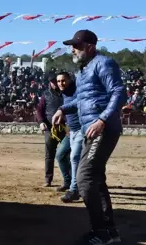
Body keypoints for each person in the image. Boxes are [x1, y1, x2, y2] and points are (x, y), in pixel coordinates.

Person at [52, 29, 126, 244]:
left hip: (102, 128)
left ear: (90, 47)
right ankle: (110, 232)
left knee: (84, 179)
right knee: (96, 179)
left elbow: (119, 92)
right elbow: (84, 101)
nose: (72, 49)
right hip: (91, 129)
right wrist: (63, 109)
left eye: (76, 45)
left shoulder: (104, 63)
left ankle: (100, 232)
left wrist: (102, 120)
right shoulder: (83, 71)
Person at [36, 72, 69, 190]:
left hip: (66, 128)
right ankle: (48, 179)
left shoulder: (68, 93)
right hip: (50, 129)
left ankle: (68, 180)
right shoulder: (45, 94)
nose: (56, 84)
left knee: (67, 155)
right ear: (50, 83)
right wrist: (41, 122)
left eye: (57, 82)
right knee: (49, 155)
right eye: (54, 82)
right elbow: (39, 110)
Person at [55, 71, 82, 203]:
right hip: (71, 131)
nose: (61, 83)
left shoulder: (77, 90)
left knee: (75, 158)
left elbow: (79, 102)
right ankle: (69, 182)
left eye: (63, 80)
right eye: (59, 81)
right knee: (60, 155)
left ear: (70, 80)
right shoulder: (64, 93)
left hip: (82, 130)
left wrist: (61, 109)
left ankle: (74, 190)